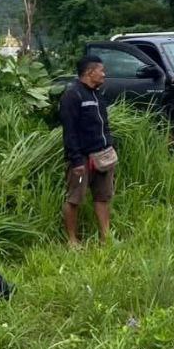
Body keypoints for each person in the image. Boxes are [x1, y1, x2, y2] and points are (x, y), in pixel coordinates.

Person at [59, 55, 116, 246]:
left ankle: (105, 237)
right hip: (82, 159)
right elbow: (70, 130)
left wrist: (109, 144)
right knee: (75, 198)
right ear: (89, 72)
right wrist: (75, 160)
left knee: (103, 197)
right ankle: (72, 240)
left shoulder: (97, 94)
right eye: (101, 70)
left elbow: (104, 125)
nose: (104, 74)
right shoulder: (73, 95)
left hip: (102, 156)